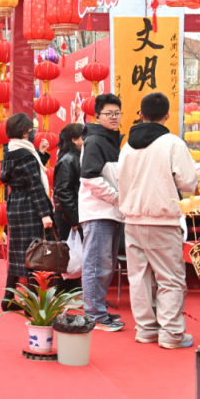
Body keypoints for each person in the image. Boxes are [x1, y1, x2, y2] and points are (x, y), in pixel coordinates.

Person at [117, 92, 197, 349]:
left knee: (139, 278)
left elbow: (120, 180)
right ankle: (171, 333)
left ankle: (146, 329)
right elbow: (188, 183)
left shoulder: (127, 146)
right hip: (162, 219)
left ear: (140, 115)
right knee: (170, 278)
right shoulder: (173, 143)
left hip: (132, 220)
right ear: (167, 115)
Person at [79, 93, 126, 332]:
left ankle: (98, 310)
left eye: (117, 113)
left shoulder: (110, 140)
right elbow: (89, 178)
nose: (114, 117)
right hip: (99, 211)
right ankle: (94, 315)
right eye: (108, 113)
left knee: (105, 263)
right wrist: (117, 198)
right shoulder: (95, 140)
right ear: (97, 116)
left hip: (110, 211)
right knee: (97, 263)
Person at [0, 113, 54, 307]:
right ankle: (31, 304)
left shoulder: (10, 150)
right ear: (24, 132)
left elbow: (23, 175)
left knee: (18, 252)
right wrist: (45, 214)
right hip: (30, 206)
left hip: (15, 204)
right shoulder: (26, 154)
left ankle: (8, 298)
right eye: (31, 130)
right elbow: (35, 185)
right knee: (33, 254)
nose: (33, 133)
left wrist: (41, 154)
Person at [52, 123, 86, 293]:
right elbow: (64, 191)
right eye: (83, 136)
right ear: (74, 140)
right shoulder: (68, 160)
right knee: (66, 252)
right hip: (67, 214)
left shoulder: (74, 157)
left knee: (74, 250)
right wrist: (73, 219)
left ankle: (71, 288)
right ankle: (61, 290)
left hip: (71, 212)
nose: (86, 140)